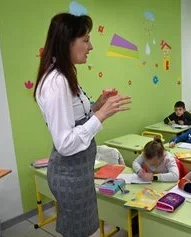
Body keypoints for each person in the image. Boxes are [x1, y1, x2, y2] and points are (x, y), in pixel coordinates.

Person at [33, 13, 131, 237]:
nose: (91, 46)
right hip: (70, 174)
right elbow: (65, 143)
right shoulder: (56, 83)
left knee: (82, 230)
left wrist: (98, 105)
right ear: (67, 41)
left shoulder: (65, 75)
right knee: (79, 232)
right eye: (86, 40)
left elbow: (76, 119)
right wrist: (101, 116)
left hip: (80, 171)